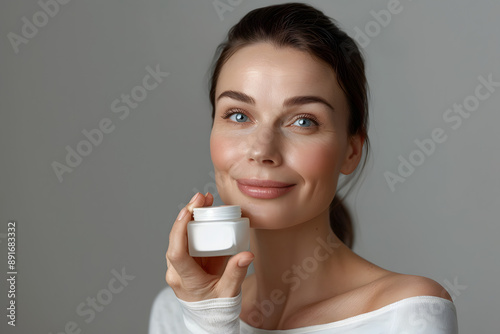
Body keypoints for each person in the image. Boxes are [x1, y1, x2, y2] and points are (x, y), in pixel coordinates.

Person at [149, 2, 458, 333]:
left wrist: (210, 323)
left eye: (303, 121)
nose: (263, 150)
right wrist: (205, 313)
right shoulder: (177, 310)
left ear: (351, 150)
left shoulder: (408, 313)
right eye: (238, 115)